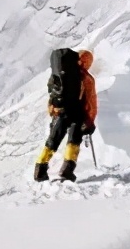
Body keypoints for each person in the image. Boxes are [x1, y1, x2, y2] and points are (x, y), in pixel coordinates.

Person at [35, 48, 98, 182]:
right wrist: (89, 122)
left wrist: (53, 111)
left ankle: (40, 169)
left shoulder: (61, 75)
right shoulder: (87, 78)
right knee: (73, 140)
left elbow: (53, 94)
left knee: (53, 141)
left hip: (60, 112)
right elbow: (91, 101)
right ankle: (67, 170)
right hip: (77, 112)